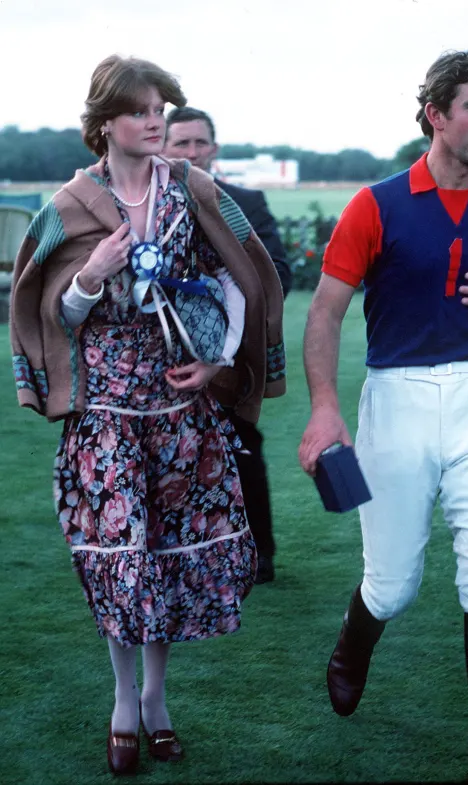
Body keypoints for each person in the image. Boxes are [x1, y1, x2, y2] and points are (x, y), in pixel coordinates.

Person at [10, 55, 285, 776]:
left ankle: (158, 700)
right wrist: (94, 273)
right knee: (121, 562)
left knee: (163, 559)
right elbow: (51, 310)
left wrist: (221, 359)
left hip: (178, 410)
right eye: (141, 109)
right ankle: (123, 703)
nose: (157, 119)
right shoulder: (67, 206)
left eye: (162, 107)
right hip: (103, 416)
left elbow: (238, 276)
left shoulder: (195, 189)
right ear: (104, 125)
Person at [299, 49, 468, 783]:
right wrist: (325, 409)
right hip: (397, 402)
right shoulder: (375, 204)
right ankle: (355, 640)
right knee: (394, 584)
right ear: (435, 114)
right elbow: (324, 311)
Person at [164, 106, 292, 583]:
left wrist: (216, 294)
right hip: (163, 356)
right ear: (163, 147)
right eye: (181, 144)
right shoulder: (146, 204)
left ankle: (259, 556)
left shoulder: (246, 201)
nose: (192, 152)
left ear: (214, 148)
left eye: (200, 143)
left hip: (231, 357)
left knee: (241, 448)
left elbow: (279, 271)